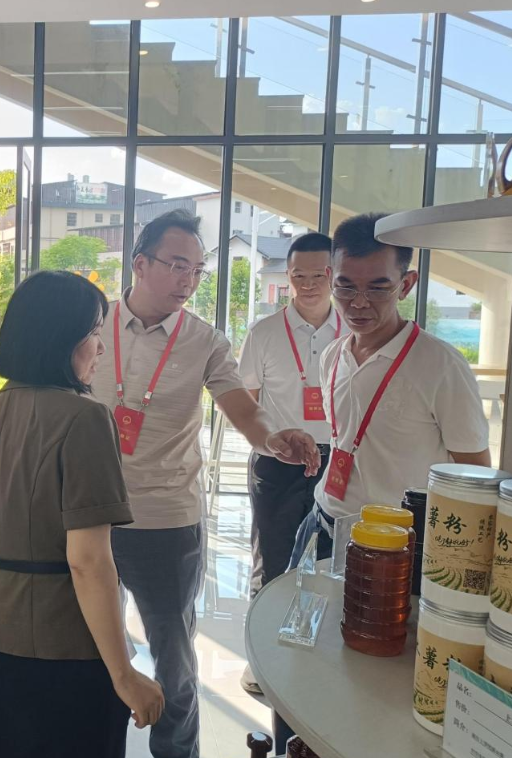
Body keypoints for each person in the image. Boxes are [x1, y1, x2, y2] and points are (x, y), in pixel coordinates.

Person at [91, 210, 320, 758]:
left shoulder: (205, 341)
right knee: (91, 648)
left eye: (197, 270)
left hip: (166, 520)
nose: (188, 281)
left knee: (173, 656)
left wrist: (272, 438)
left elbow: (243, 409)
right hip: (88, 515)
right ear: (139, 264)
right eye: (177, 266)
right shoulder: (92, 326)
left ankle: (177, 752)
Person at [0, 271, 165, 758]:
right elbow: (87, 561)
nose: (100, 348)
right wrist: (123, 674)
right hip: (63, 647)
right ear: (60, 340)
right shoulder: (85, 418)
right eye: (94, 334)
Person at [289, 213, 491, 566]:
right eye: (345, 286)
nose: (359, 302)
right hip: (322, 523)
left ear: (406, 284)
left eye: (378, 288)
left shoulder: (441, 365)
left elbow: (474, 475)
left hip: (394, 546)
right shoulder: (334, 355)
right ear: (330, 278)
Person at [238, 234, 347, 593]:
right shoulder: (263, 332)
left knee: (330, 564)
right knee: (272, 560)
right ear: (288, 275)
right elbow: (247, 401)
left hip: (338, 462)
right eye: (299, 275)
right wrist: (270, 441)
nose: (308, 284)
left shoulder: (353, 333)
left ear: (335, 274)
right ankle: (263, 620)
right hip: (278, 458)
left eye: (319, 275)